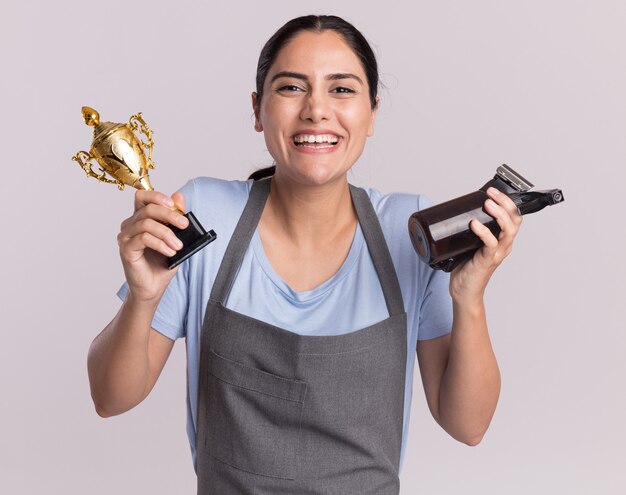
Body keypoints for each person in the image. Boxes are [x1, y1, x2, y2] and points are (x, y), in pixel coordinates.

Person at [87, 14, 522, 495]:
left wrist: (469, 296)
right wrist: (143, 299)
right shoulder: (202, 215)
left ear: (372, 112)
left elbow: (468, 426)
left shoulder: (412, 232)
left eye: (342, 90)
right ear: (257, 110)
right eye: (292, 88)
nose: (316, 110)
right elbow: (110, 398)